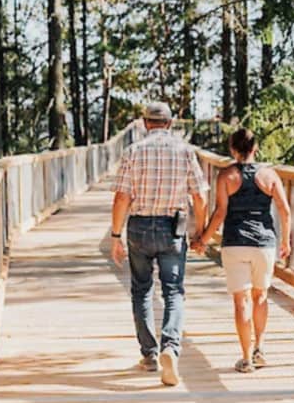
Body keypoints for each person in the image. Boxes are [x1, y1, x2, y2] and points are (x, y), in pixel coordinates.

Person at [110, 102, 208, 386]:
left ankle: (150, 355)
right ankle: (170, 348)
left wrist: (116, 236)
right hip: (172, 227)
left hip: (139, 226)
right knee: (174, 292)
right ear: (170, 122)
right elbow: (200, 198)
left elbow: (121, 198)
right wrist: (200, 232)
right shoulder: (185, 151)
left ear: (144, 123)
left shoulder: (133, 151)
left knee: (141, 290)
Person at [192, 128, 291, 373]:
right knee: (261, 296)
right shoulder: (270, 175)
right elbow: (285, 211)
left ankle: (246, 359)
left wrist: (203, 239)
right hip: (264, 244)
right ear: (255, 148)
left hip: (235, 243)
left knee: (241, 301)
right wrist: (286, 241)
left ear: (233, 150)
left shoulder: (226, 176)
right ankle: (260, 349)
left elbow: (220, 213)